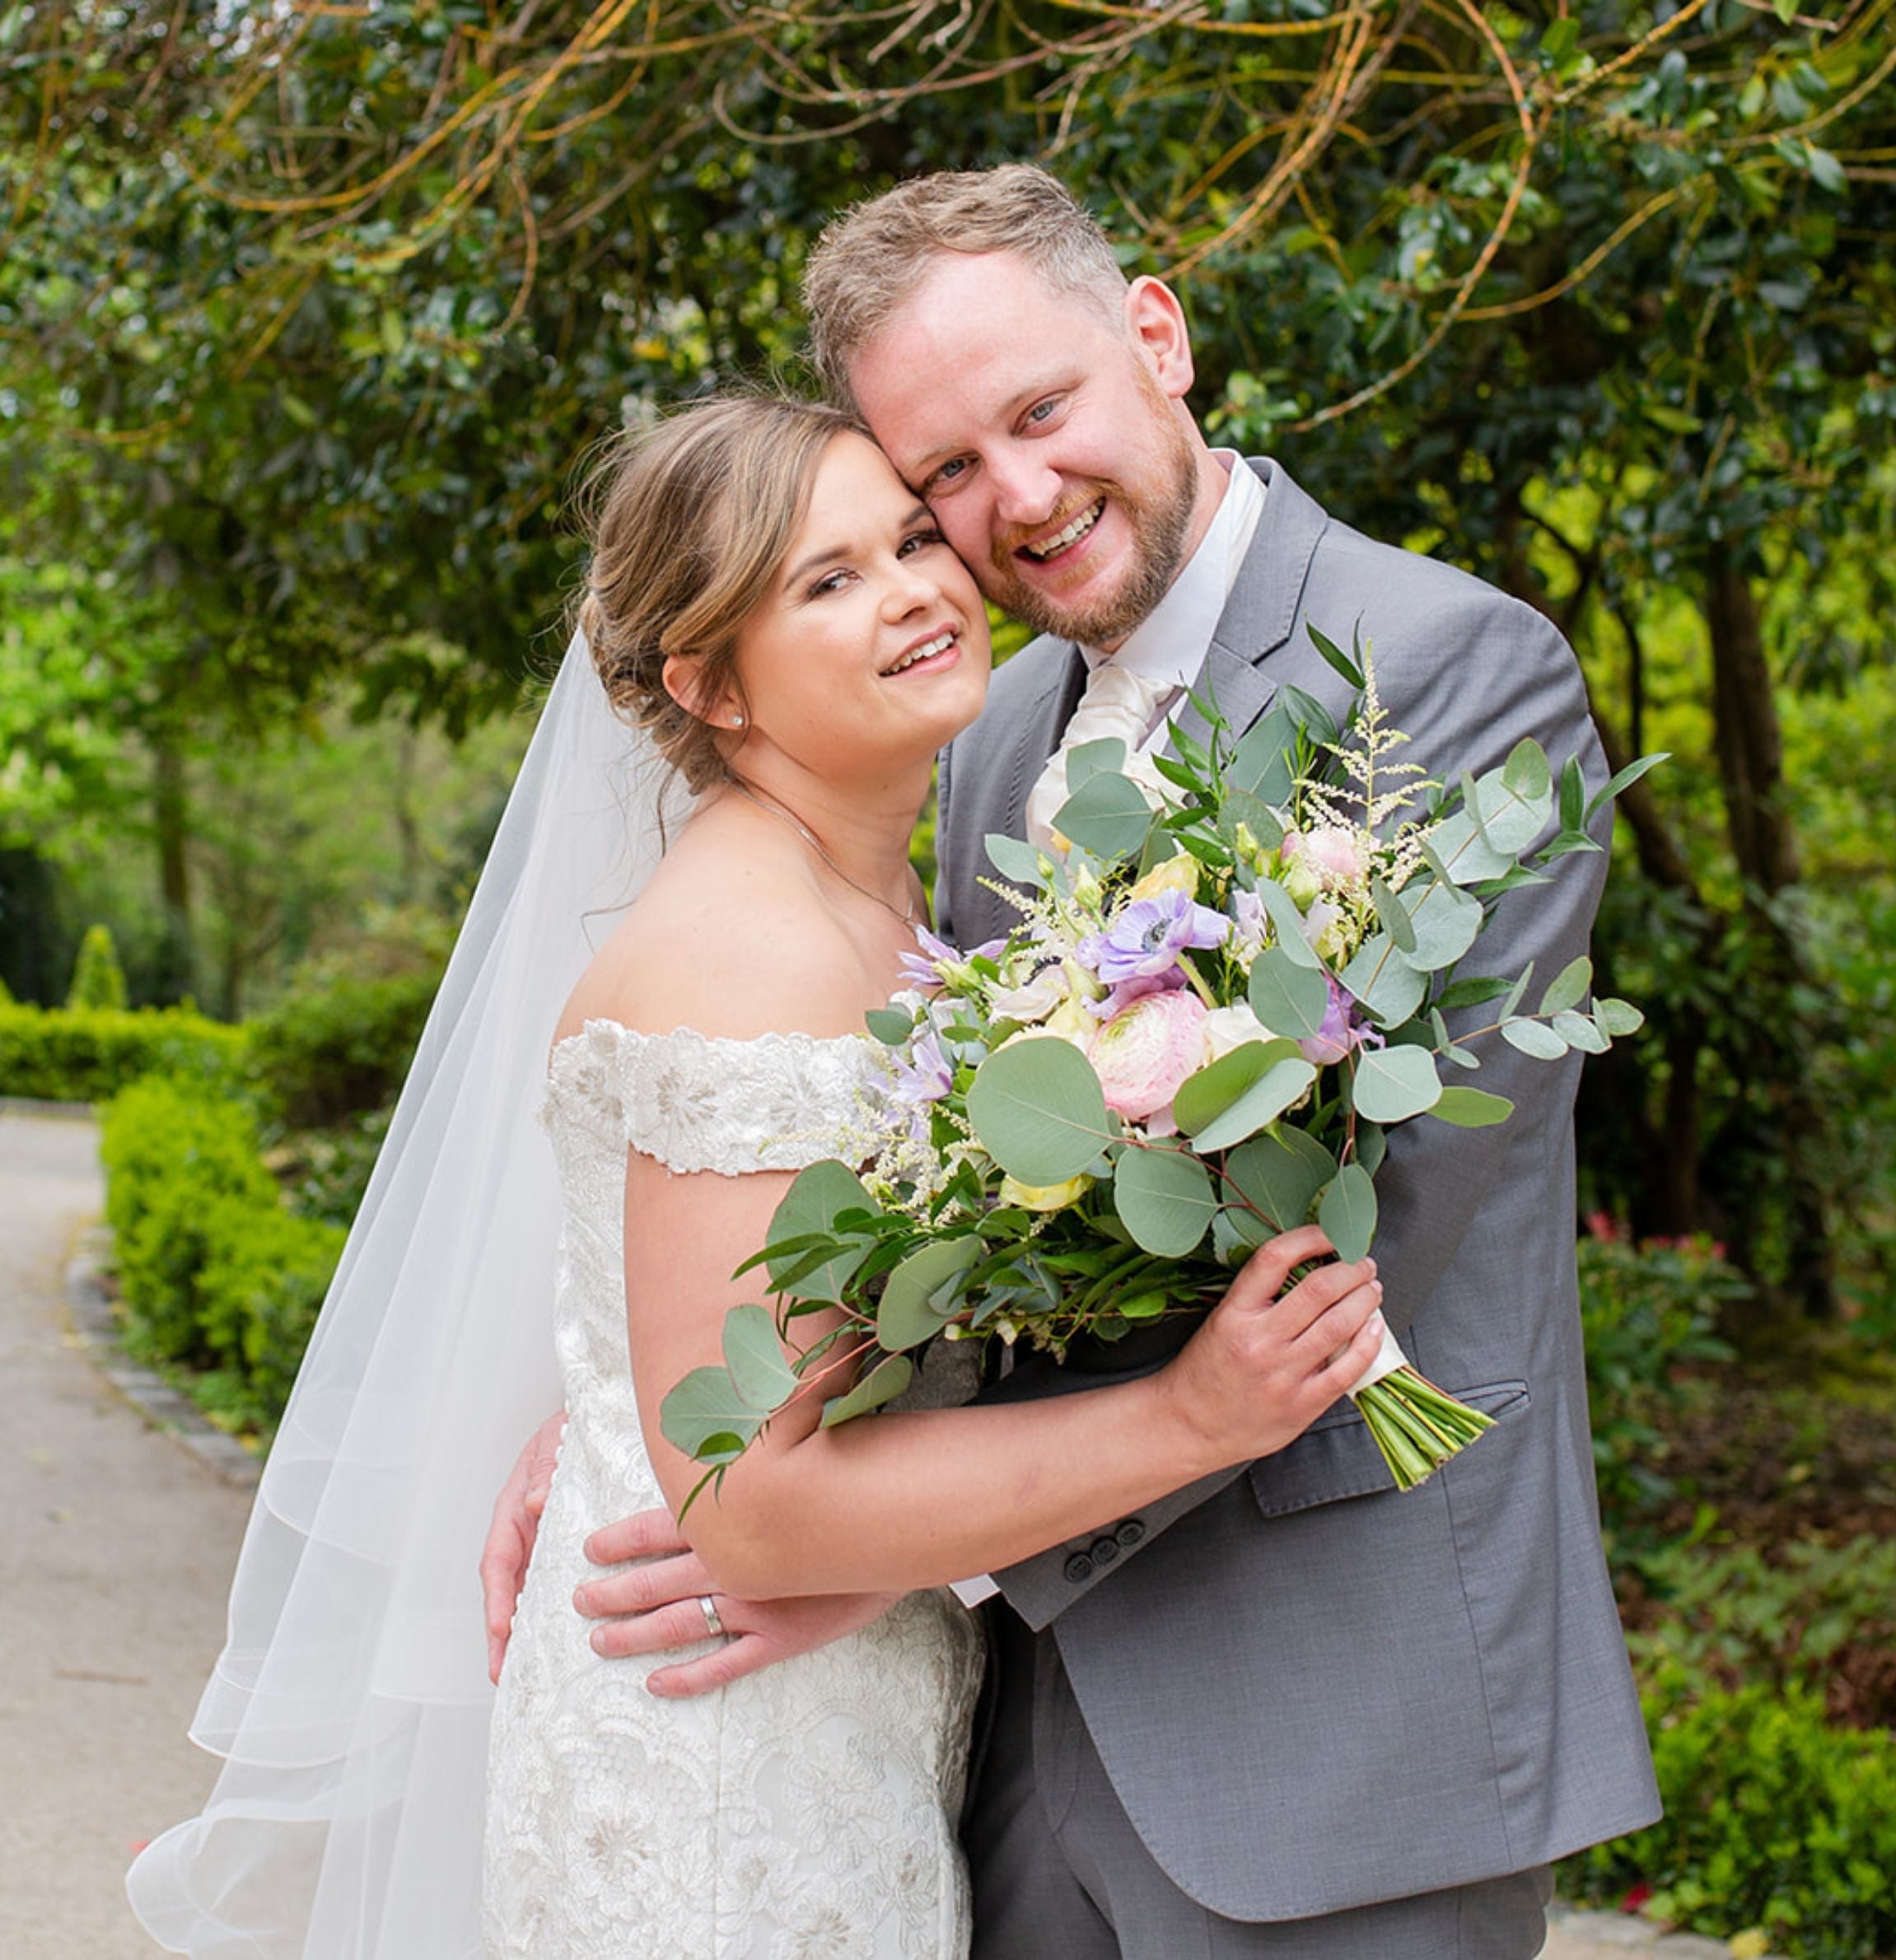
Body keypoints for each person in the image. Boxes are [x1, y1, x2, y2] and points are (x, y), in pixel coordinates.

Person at [489, 168, 1663, 1958]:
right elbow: (909, 1192)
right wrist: (658, 1403)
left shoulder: (1444, 673)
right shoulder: (980, 734)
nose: (1012, 500)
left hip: (1338, 1736)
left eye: (1038, 412)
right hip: (1006, 1771)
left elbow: (1352, 1250)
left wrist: (860, 1545)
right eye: (943, 471)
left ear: (1157, 336)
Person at [128, 390, 1390, 1958]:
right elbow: (749, 1504)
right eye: (827, 581)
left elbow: (742, 1359)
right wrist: (1187, 1415)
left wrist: (598, 1406)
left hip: (841, 1722)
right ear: (707, 683)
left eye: (915, 539)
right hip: (722, 1774)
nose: (919, 590)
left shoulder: (895, 911)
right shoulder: (748, 959)